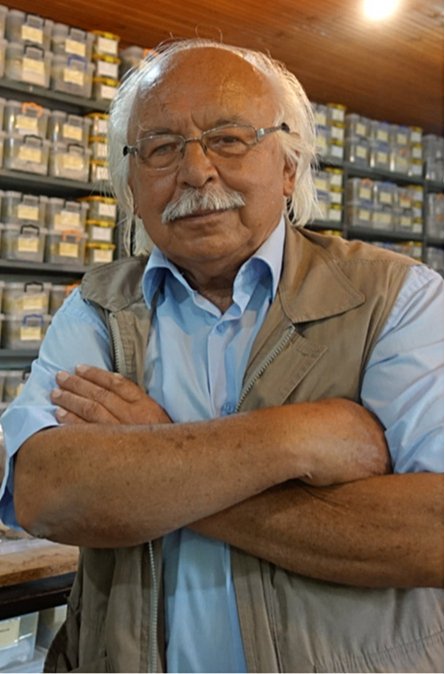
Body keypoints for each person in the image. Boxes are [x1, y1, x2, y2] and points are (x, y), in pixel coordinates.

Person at [0, 38, 443, 673]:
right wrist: (291, 439)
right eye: (161, 147)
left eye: (229, 139)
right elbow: (46, 493)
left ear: (289, 167)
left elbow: (433, 534)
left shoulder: (400, 298)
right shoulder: (96, 307)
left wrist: (154, 455)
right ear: (131, 183)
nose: (196, 170)